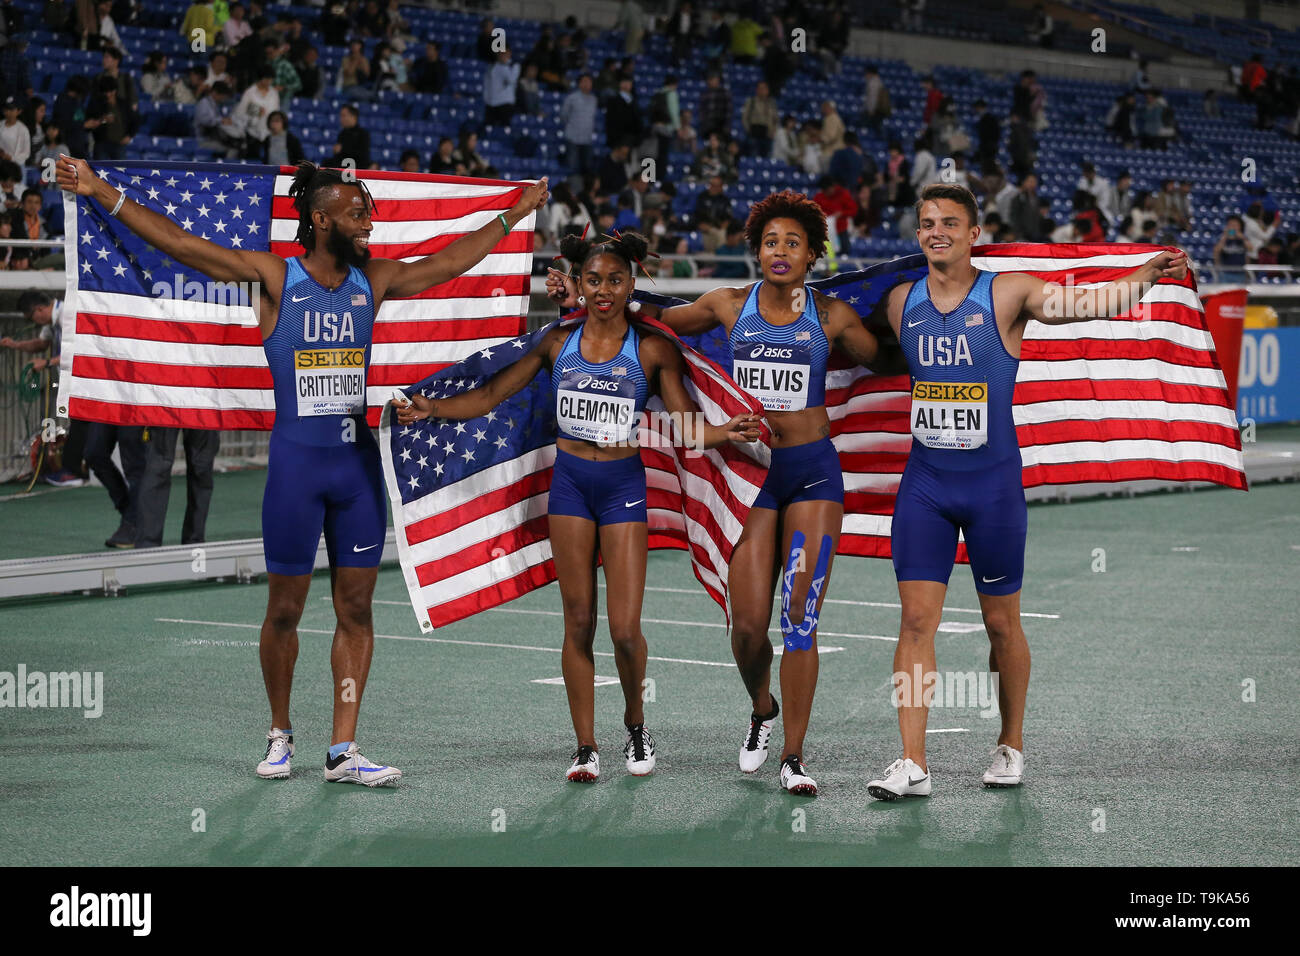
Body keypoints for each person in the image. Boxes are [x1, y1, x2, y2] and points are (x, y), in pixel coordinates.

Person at [56, 154, 549, 783]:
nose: (369, 219)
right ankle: (279, 732)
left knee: (357, 610)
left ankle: (343, 749)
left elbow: (450, 263)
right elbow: (180, 244)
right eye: (356, 212)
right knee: (284, 611)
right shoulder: (274, 276)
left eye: (368, 210)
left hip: (355, 472)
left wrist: (514, 212)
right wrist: (100, 190)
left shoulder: (375, 280)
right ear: (320, 220)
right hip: (295, 469)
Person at [548, 192, 897, 796]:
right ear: (756, 251)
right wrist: (581, 298)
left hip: (813, 473)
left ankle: (794, 756)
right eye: (770, 242)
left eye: (793, 242)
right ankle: (763, 708)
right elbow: (645, 323)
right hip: (751, 475)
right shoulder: (727, 305)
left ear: (813, 253)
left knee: (800, 618)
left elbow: (888, 359)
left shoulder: (833, 314)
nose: (780, 251)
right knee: (747, 628)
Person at [398, 231, 760, 782]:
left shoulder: (651, 348)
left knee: (623, 629)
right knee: (578, 621)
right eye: (594, 280)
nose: (604, 290)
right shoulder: (555, 342)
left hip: (622, 487)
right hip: (569, 486)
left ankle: (636, 726)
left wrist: (722, 432)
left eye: (615, 280)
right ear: (579, 283)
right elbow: (492, 395)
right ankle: (585, 746)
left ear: (631, 284)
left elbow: (686, 426)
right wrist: (432, 408)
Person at [866, 183, 1188, 799]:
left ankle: (1010, 745)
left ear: (974, 233)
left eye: (950, 223)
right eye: (927, 222)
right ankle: (912, 763)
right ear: (917, 234)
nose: (937, 232)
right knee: (914, 622)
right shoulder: (900, 300)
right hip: (925, 487)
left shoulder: (1008, 292)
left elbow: (1088, 304)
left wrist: (1146, 273)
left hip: (993, 491)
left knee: (1001, 625)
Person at [1214, 215, 1249, 282]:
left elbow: (1250, 248)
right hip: (1225, 273)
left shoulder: (1243, 239)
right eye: (1231, 225)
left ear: (1240, 227)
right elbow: (1216, 250)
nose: (1233, 227)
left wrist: (1242, 237)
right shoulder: (1223, 238)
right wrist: (1225, 237)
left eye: (1235, 225)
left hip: (1240, 273)